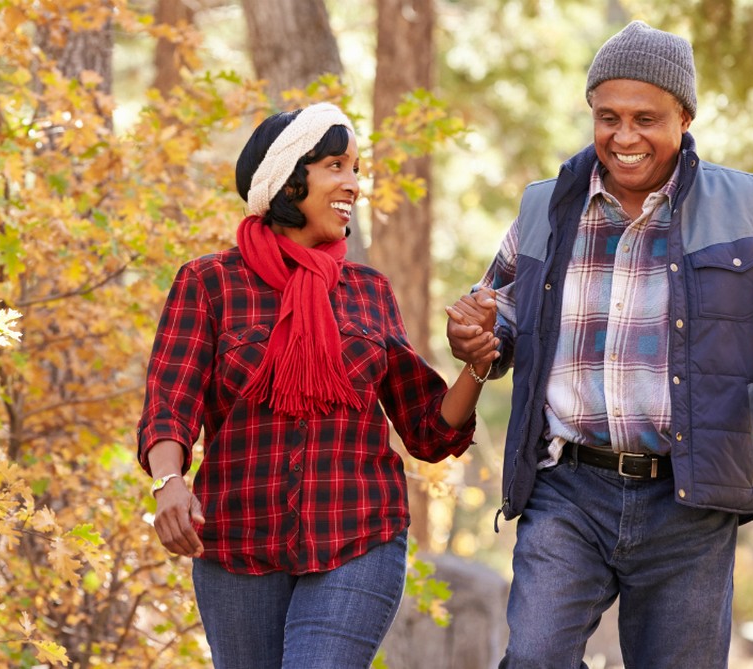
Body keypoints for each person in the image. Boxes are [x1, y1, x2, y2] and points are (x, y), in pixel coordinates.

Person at [446, 20, 753, 668]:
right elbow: (502, 314)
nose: (624, 137)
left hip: (688, 500)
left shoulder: (744, 207)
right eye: (609, 117)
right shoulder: (546, 208)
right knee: (534, 657)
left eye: (645, 118)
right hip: (567, 488)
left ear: (684, 116)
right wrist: (477, 332)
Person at [138, 102, 498, 669]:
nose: (353, 184)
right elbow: (169, 401)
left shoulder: (368, 290)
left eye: (356, 169)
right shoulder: (209, 283)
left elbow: (427, 429)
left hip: (359, 534)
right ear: (288, 179)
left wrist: (475, 364)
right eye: (337, 166)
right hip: (236, 541)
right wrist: (169, 484)